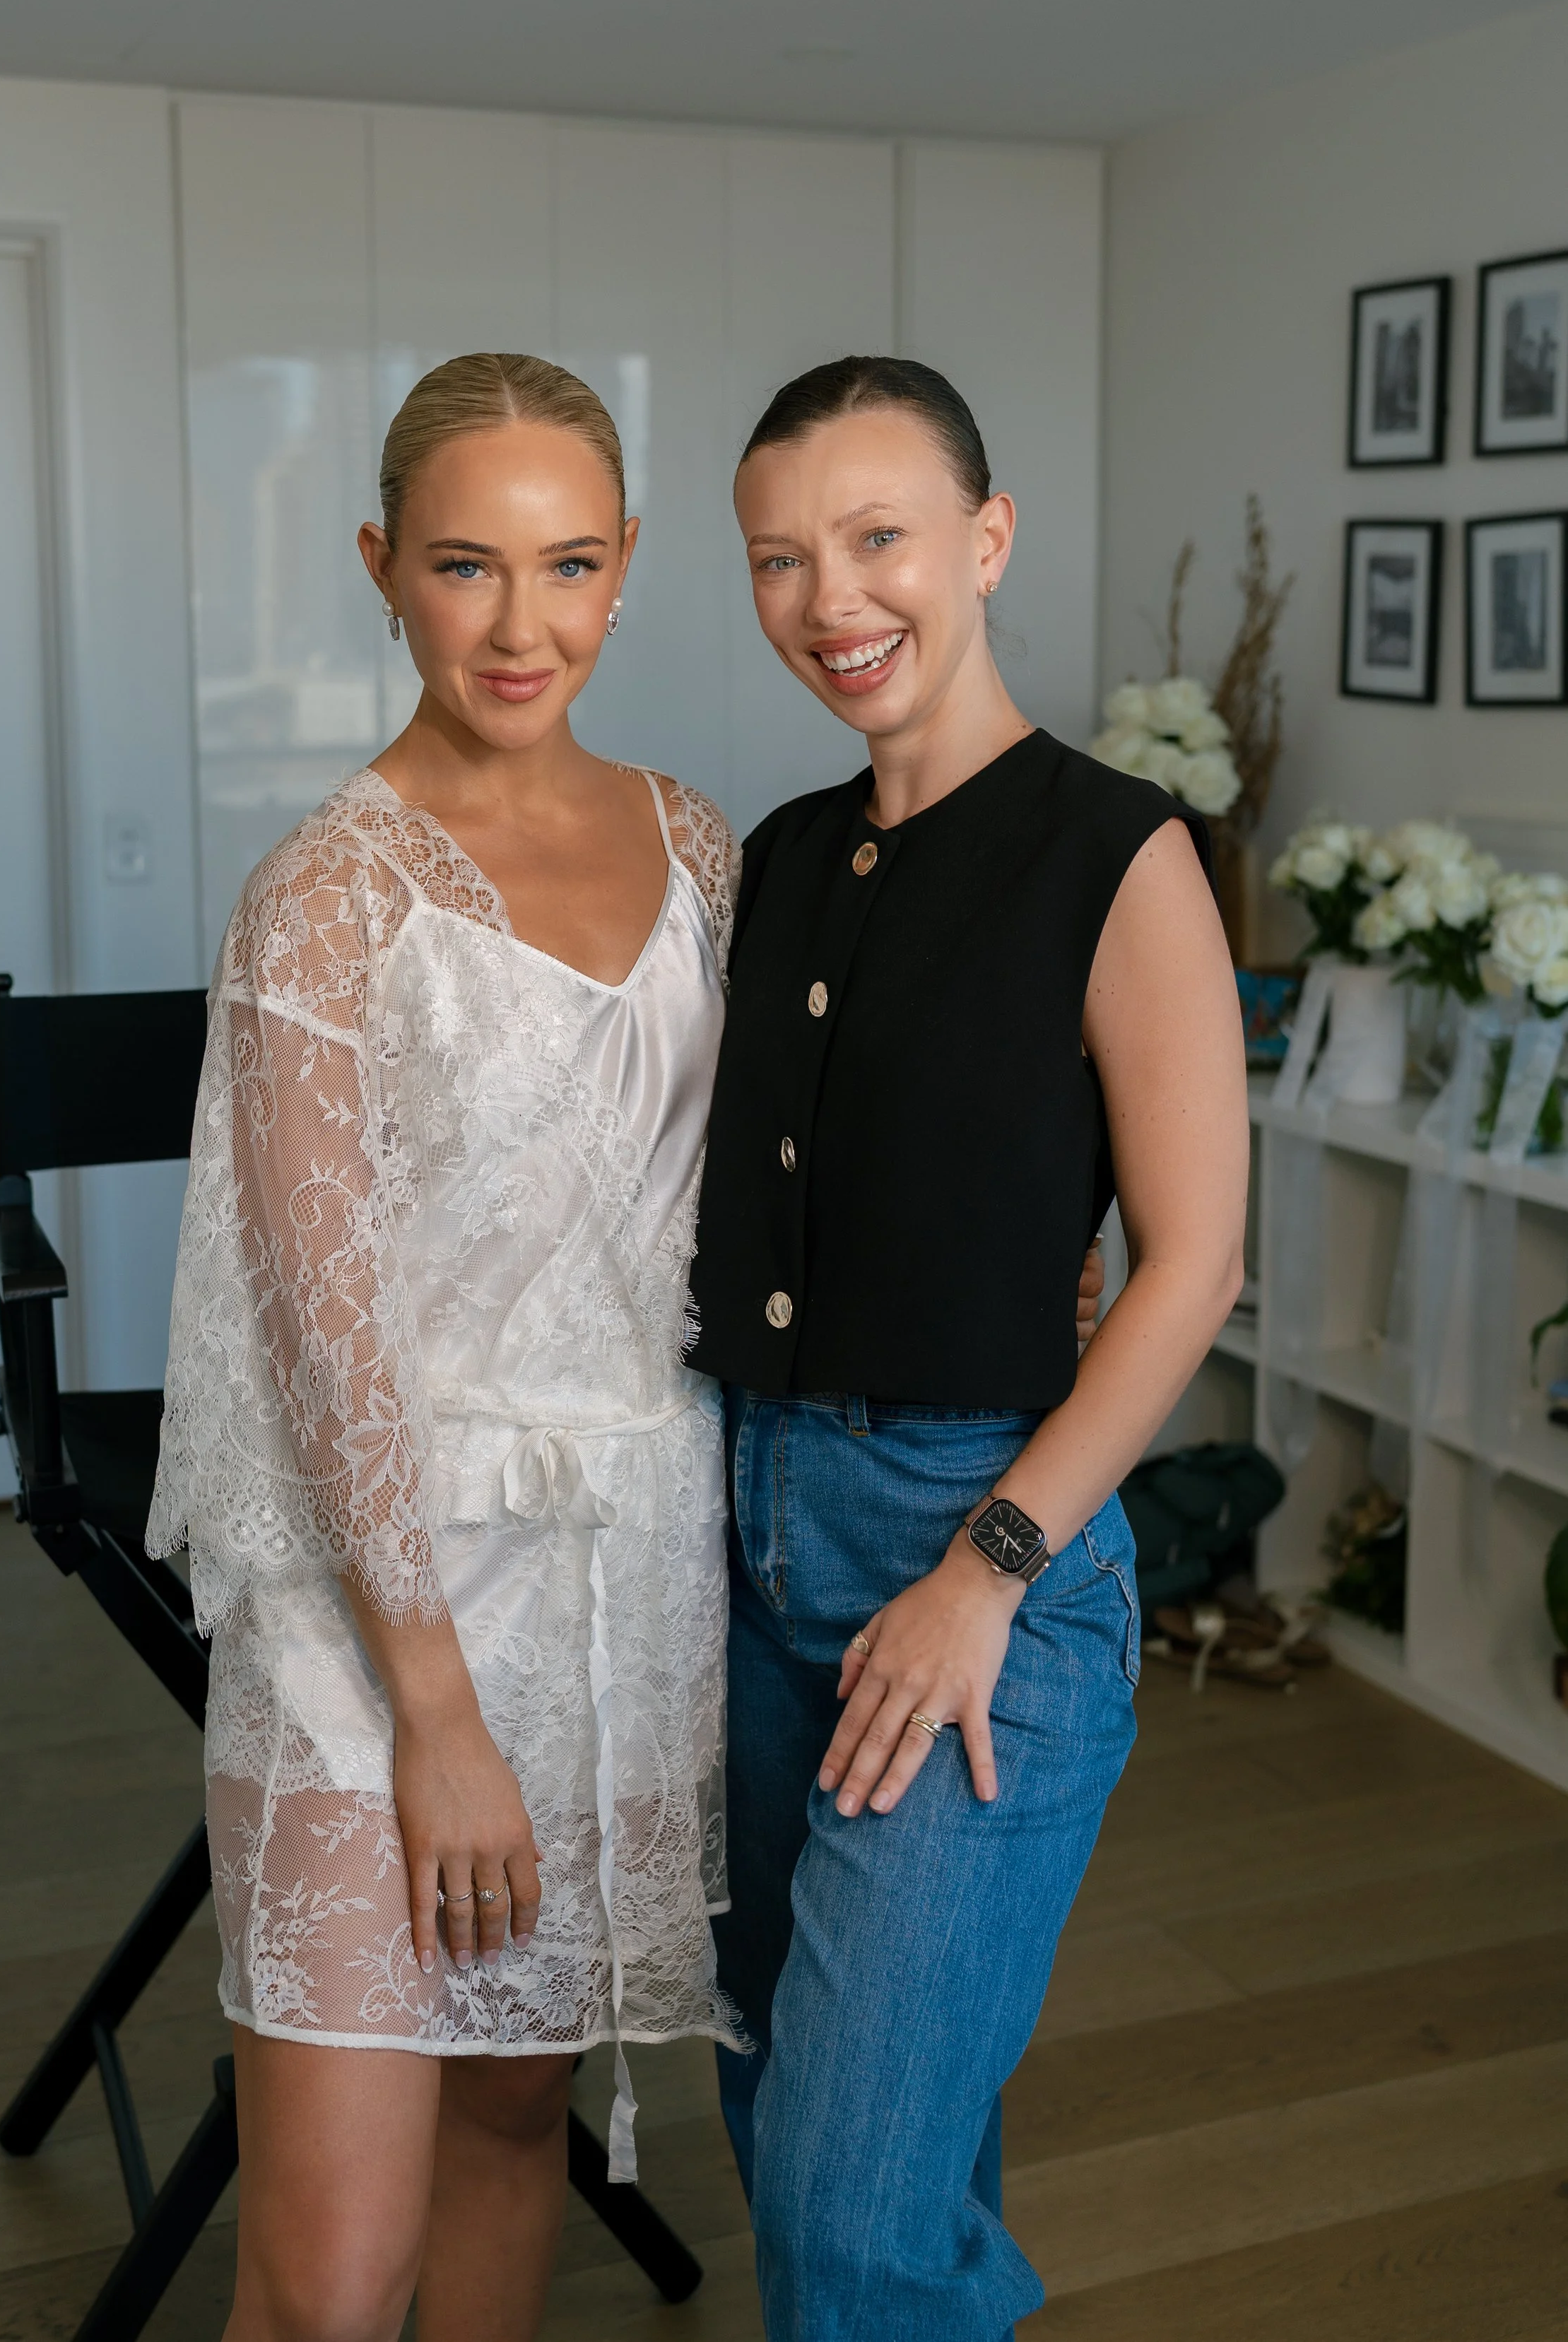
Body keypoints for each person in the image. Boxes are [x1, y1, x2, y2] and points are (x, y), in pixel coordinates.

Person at [147, 353, 742, 2342]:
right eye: (466, 567)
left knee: (509, 2141)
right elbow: (316, 1340)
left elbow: (747, 1197)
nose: (521, 623)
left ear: (628, 564)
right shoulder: (322, 894)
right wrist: (436, 1709)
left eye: (568, 566)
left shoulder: (701, 842)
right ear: (379, 565)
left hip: (622, 1571)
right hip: (381, 1601)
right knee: (326, 2278)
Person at [688, 356, 1248, 2340]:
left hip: (970, 1549)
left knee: (845, 2207)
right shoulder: (767, 856)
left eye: (877, 535)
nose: (830, 595)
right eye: (779, 556)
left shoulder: (1117, 854)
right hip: (741, 1537)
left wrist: (985, 1567)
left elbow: (1188, 1263)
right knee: (809, 2118)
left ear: (985, 541)